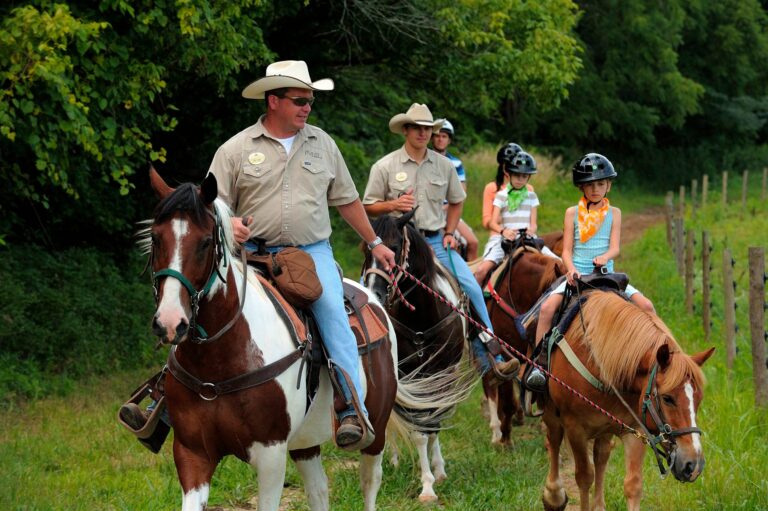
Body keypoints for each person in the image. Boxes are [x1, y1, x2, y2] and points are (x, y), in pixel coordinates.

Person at [123, 60, 396, 452]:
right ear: (273, 101)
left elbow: (348, 200)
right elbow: (210, 208)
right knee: (200, 309)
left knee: (333, 312)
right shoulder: (235, 149)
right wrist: (229, 226)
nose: (307, 107)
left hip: (310, 252)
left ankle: (350, 407)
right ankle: (162, 403)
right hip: (248, 254)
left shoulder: (324, 145)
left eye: (310, 101)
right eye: (299, 100)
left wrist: (375, 243)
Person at [362, 103, 519, 382]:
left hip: (434, 241)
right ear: (406, 130)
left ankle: (489, 352)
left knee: (470, 285)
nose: (423, 133)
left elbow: (457, 201)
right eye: (418, 128)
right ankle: (362, 350)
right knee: (369, 286)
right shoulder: (385, 165)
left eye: (428, 129)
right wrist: (393, 204)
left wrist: (449, 231)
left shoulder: (444, 165)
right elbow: (367, 206)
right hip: (397, 244)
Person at [525, 153, 655, 391]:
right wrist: (572, 269)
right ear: (582, 187)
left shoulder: (614, 213)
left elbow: (615, 247)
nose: (595, 189)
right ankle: (539, 364)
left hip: (607, 275)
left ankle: (657, 361)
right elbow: (566, 250)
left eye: (600, 184)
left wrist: (605, 257)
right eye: (590, 184)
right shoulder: (571, 213)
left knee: (646, 306)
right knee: (546, 310)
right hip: (578, 275)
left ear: (608, 186)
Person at [474, 150, 559, 285]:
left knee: (560, 263)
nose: (520, 180)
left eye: (524, 176)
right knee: (481, 270)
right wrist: (503, 231)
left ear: (529, 177)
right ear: (509, 174)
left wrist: (532, 229)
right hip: (507, 239)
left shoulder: (531, 196)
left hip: (528, 238)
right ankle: (470, 302)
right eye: (517, 175)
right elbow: (492, 222)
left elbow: (534, 223)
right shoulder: (501, 195)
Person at [431, 119, 479, 260]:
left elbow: (461, 192)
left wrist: (447, 207)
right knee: (452, 246)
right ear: (432, 138)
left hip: (450, 210)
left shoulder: (456, 163)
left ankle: (473, 277)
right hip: (431, 212)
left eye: (444, 136)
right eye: (437, 136)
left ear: (449, 140)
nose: (440, 139)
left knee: (473, 242)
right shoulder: (426, 160)